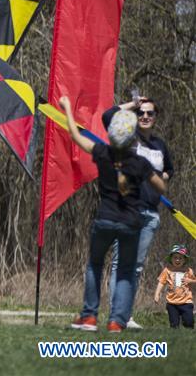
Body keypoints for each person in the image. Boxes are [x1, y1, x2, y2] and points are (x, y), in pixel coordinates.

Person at [60, 96, 166, 333]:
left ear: (111, 135)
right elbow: (160, 187)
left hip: (105, 220)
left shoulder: (101, 153)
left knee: (94, 265)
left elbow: (76, 136)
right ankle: (117, 321)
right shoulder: (140, 163)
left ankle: (89, 317)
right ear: (132, 138)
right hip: (131, 223)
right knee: (127, 271)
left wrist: (67, 108)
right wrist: (152, 177)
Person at [106, 97, 173, 329]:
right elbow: (108, 115)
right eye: (141, 113)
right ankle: (116, 316)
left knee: (135, 267)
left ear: (155, 117)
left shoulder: (160, 146)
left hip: (150, 215)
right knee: (120, 264)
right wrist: (132, 105)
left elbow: (168, 171)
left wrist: (161, 177)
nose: (145, 117)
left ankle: (126, 315)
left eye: (150, 113)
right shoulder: (126, 138)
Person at [153, 245, 195, 329]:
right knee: (174, 324)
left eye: (180, 258)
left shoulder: (188, 271)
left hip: (186, 301)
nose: (177, 260)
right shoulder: (167, 270)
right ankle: (175, 337)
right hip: (172, 302)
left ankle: (189, 334)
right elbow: (161, 282)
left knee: (189, 322)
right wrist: (157, 294)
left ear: (184, 260)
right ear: (171, 259)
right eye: (175, 257)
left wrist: (190, 281)